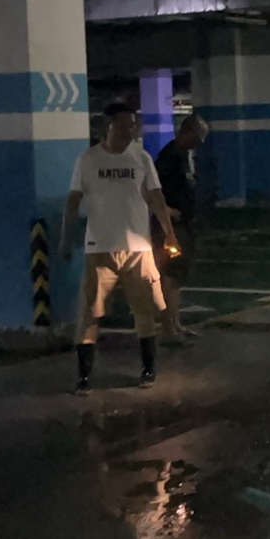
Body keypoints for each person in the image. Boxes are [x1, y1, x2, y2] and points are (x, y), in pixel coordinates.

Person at [62, 102, 180, 394]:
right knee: (90, 314)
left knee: (144, 311)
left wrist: (169, 234)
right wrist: (66, 238)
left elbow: (156, 198)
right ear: (109, 126)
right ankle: (84, 376)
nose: (133, 129)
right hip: (99, 248)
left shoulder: (141, 157)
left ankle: (148, 370)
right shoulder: (88, 160)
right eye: (127, 124)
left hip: (139, 250)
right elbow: (73, 201)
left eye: (134, 124)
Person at [153, 113, 210, 342]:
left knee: (177, 277)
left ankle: (175, 324)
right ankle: (168, 328)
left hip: (184, 224)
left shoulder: (184, 155)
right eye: (196, 137)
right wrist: (167, 211)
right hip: (171, 227)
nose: (197, 143)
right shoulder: (169, 157)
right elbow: (152, 190)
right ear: (186, 132)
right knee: (169, 275)